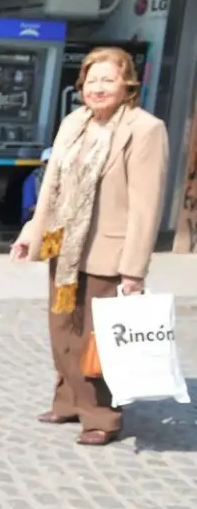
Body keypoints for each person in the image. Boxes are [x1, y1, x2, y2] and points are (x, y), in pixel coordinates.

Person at [11, 46, 169, 446]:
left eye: (108, 80)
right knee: (62, 327)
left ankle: (101, 416)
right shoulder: (74, 122)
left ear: (127, 84)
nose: (98, 88)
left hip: (107, 251)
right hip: (62, 245)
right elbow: (52, 185)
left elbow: (146, 205)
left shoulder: (145, 129)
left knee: (95, 337)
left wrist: (134, 269)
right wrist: (31, 232)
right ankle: (67, 400)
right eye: (91, 80)